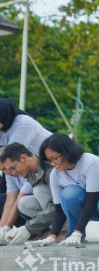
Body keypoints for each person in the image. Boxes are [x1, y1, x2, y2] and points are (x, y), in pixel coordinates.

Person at [34, 134, 99, 246]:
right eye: (49, 161)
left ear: (67, 152)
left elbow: (92, 199)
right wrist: (52, 236)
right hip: (94, 206)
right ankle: (77, 235)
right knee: (68, 194)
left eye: (54, 158)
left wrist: (76, 233)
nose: (53, 164)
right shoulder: (55, 175)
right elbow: (59, 210)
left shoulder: (90, 162)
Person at [0, 98, 52, 244]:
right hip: (24, 174)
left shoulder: (23, 124)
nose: (7, 171)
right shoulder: (10, 166)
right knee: (13, 201)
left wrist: (8, 226)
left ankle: (56, 231)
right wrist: (2, 229)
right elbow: (11, 195)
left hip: (43, 175)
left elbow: (11, 158)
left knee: (33, 195)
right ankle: (39, 230)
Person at [0, 143, 60, 245]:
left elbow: (55, 208)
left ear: (23, 158)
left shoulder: (49, 168)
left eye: (12, 168)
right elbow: (12, 199)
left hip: (70, 208)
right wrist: (4, 228)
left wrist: (28, 228)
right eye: (5, 170)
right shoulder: (31, 172)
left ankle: (63, 231)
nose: (11, 173)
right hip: (56, 210)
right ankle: (50, 231)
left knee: (38, 190)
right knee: (23, 203)